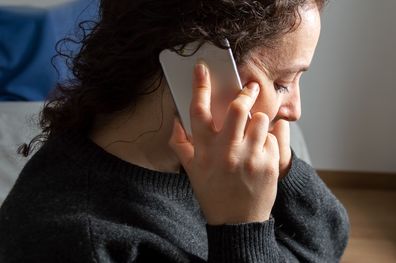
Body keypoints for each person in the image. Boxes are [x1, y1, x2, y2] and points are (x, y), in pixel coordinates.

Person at [0, 0, 350, 262]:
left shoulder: (219, 155)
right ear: (198, 63)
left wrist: (285, 169)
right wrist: (242, 226)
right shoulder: (80, 242)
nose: (294, 110)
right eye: (282, 82)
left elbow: (326, 246)